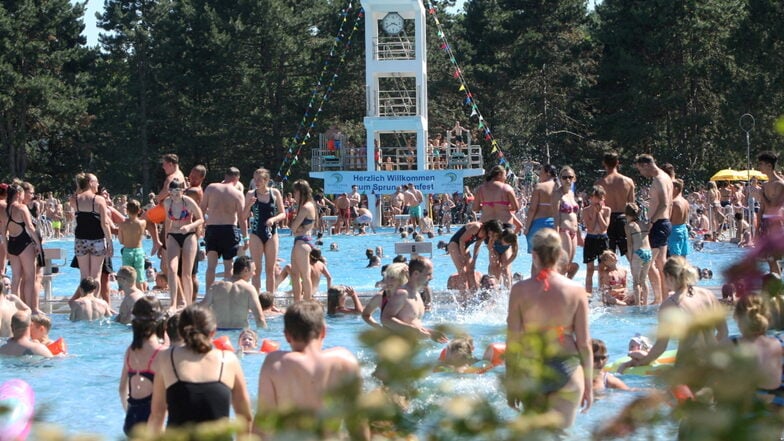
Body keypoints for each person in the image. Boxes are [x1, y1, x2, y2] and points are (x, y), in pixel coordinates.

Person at [506, 228, 592, 428]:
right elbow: (585, 344)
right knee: (560, 435)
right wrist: (589, 385)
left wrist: (511, 383)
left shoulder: (519, 291)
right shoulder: (576, 291)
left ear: (534, 255)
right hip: (568, 368)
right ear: (560, 254)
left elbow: (513, 342)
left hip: (532, 367)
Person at [256, 301, 368, 440]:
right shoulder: (345, 360)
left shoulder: (275, 363)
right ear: (323, 331)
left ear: (286, 335)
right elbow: (357, 422)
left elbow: (263, 422)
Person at [148, 304, 252, 433]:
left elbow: (157, 415)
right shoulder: (229, 360)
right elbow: (244, 417)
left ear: (181, 332)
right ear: (213, 332)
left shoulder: (166, 358)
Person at [619, 256, 728, 375]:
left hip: (687, 368)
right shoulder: (707, 294)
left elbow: (661, 347)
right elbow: (723, 332)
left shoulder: (670, 304)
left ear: (669, 277)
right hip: (712, 365)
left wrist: (640, 362)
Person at [118, 296, 166, 436]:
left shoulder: (130, 351)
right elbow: (161, 405)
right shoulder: (161, 353)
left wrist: (129, 412)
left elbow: (122, 390)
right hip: (152, 422)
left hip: (131, 420)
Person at [732, 294, 784, 406]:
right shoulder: (778, 343)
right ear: (768, 318)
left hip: (748, 407)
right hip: (778, 403)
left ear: (737, 318)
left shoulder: (732, 345)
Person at [634, 154, 673, 304]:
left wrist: (650, 221)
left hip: (659, 223)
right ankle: (664, 298)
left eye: (640, 170)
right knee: (661, 263)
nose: (641, 174)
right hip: (663, 222)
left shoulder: (659, 179)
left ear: (646, 165)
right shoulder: (665, 177)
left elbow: (664, 204)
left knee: (647, 264)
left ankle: (659, 298)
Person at [381, 256, 447, 342]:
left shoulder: (417, 294)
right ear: (416, 274)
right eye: (428, 274)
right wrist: (413, 330)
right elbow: (385, 319)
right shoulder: (402, 294)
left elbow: (412, 323)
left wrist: (430, 333)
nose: (432, 278)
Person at [201, 167, 245, 291]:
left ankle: (208, 294)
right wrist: (246, 237)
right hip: (229, 229)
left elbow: (202, 209)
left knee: (211, 266)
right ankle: (227, 294)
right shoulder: (237, 193)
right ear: (237, 179)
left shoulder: (211, 188)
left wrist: (200, 226)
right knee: (228, 265)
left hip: (212, 228)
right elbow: (242, 219)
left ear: (225, 176)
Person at [243, 168, 286, 294]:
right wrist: (249, 205)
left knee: (270, 269)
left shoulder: (275, 193)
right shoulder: (251, 194)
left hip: (271, 233)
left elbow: (283, 213)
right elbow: (243, 216)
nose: (256, 182)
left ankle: (270, 301)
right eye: (254, 179)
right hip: (256, 233)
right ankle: (255, 299)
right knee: (256, 269)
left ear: (266, 180)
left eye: (259, 179)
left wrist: (273, 219)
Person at [163, 179, 204, 310]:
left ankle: (189, 304)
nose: (174, 195)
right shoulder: (167, 202)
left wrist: (189, 226)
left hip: (189, 235)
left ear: (182, 191)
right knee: (172, 269)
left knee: (186, 273)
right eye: (172, 192)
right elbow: (167, 221)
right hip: (173, 235)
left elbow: (201, 219)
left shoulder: (188, 202)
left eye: (177, 191)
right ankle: (173, 303)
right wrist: (166, 238)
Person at [3, 184, 43, 313]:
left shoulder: (5, 209)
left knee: (16, 278)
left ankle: (16, 309)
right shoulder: (22, 208)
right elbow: (31, 228)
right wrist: (38, 245)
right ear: (19, 194)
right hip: (24, 243)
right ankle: (29, 308)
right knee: (30, 277)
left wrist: (7, 248)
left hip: (12, 243)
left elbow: (3, 233)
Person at [200, 256, 266, 330]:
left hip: (219, 333)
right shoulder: (249, 289)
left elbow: (201, 309)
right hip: (240, 333)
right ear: (246, 270)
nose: (254, 273)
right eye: (253, 270)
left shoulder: (215, 286)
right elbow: (260, 319)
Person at [595, 152, 636, 260]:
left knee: (608, 254)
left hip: (607, 219)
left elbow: (597, 206)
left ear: (604, 163)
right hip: (624, 218)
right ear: (618, 162)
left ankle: (610, 276)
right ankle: (637, 275)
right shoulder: (628, 181)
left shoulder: (600, 183)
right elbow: (632, 205)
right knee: (629, 252)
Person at [447, 220, 503, 291]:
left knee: (471, 270)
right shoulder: (476, 227)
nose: (493, 236)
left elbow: (477, 246)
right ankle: (463, 296)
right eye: (494, 234)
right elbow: (461, 240)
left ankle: (473, 294)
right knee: (462, 272)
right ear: (490, 229)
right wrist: (463, 256)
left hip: (464, 246)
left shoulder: (485, 234)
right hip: (454, 244)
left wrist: (474, 260)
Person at [148, 154, 187, 255]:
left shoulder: (171, 178)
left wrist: (157, 198)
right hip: (177, 207)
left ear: (170, 164)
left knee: (144, 219)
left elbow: (164, 193)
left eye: (164, 164)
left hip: (167, 207)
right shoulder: (181, 174)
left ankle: (156, 242)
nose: (163, 167)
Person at [523, 164, 558, 268]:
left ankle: (535, 283)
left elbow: (532, 209)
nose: (539, 175)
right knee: (551, 257)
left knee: (536, 258)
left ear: (547, 173)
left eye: (541, 172)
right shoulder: (559, 188)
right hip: (555, 224)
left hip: (539, 224)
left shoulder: (540, 187)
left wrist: (527, 227)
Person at [289, 179, 317, 302]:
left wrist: (296, 227)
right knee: (294, 274)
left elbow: (293, 227)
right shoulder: (307, 205)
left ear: (301, 192)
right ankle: (297, 301)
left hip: (302, 242)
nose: (294, 195)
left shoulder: (306, 207)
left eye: (295, 192)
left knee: (305, 276)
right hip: (301, 241)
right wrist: (296, 228)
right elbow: (295, 228)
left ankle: (307, 302)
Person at [757, 151, 784, 275]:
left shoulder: (780, 184)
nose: (759, 167)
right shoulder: (765, 184)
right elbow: (762, 208)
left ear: (769, 166)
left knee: (773, 258)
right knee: (768, 258)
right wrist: (757, 228)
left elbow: (773, 206)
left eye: (761, 164)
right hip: (765, 221)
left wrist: (761, 194)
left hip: (775, 222)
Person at [473, 165, 522, 231]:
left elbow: (475, 208)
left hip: (487, 224)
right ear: (499, 174)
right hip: (505, 223)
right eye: (505, 175)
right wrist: (502, 207)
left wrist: (486, 206)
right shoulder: (507, 188)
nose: (505, 178)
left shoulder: (480, 189)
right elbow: (516, 207)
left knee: (490, 241)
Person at [582, 186, 611, 295]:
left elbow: (604, 227)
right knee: (589, 268)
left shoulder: (607, 210)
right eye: (596, 198)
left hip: (602, 238)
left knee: (602, 268)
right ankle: (588, 294)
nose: (598, 201)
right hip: (591, 238)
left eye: (601, 198)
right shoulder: (585, 210)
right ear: (591, 198)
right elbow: (590, 227)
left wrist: (599, 213)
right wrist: (594, 212)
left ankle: (603, 293)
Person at [362, 262, 408, 329]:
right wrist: (379, 328)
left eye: (392, 278)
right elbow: (365, 315)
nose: (388, 281)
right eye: (387, 277)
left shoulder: (410, 296)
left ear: (401, 279)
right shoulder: (380, 297)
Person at [625, 203, 653, 305]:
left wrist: (631, 258)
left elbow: (630, 245)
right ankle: (645, 303)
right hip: (648, 253)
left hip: (638, 252)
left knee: (636, 282)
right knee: (644, 279)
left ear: (627, 214)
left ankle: (637, 305)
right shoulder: (643, 223)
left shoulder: (629, 226)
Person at [556, 166, 580, 278]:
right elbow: (555, 216)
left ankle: (566, 286)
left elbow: (575, 216)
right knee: (564, 264)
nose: (567, 180)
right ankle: (558, 290)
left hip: (573, 232)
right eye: (564, 177)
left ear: (574, 178)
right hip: (563, 230)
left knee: (570, 265)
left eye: (570, 177)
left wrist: (579, 234)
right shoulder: (557, 194)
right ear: (560, 179)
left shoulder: (571, 193)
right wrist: (555, 236)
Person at [118, 199, 147, 290]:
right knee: (139, 278)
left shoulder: (122, 224)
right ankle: (141, 297)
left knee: (126, 277)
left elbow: (121, 241)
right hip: (139, 251)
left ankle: (128, 298)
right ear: (139, 210)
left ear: (127, 210)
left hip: (127, 251)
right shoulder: (142, 223)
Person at [668, 179, 690, 257]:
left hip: (674, 231)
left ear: (676, 189)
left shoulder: (674, 203)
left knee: (675, 257)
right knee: (683, 257)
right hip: (684, 229)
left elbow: (668, 218)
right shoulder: (685, 201)